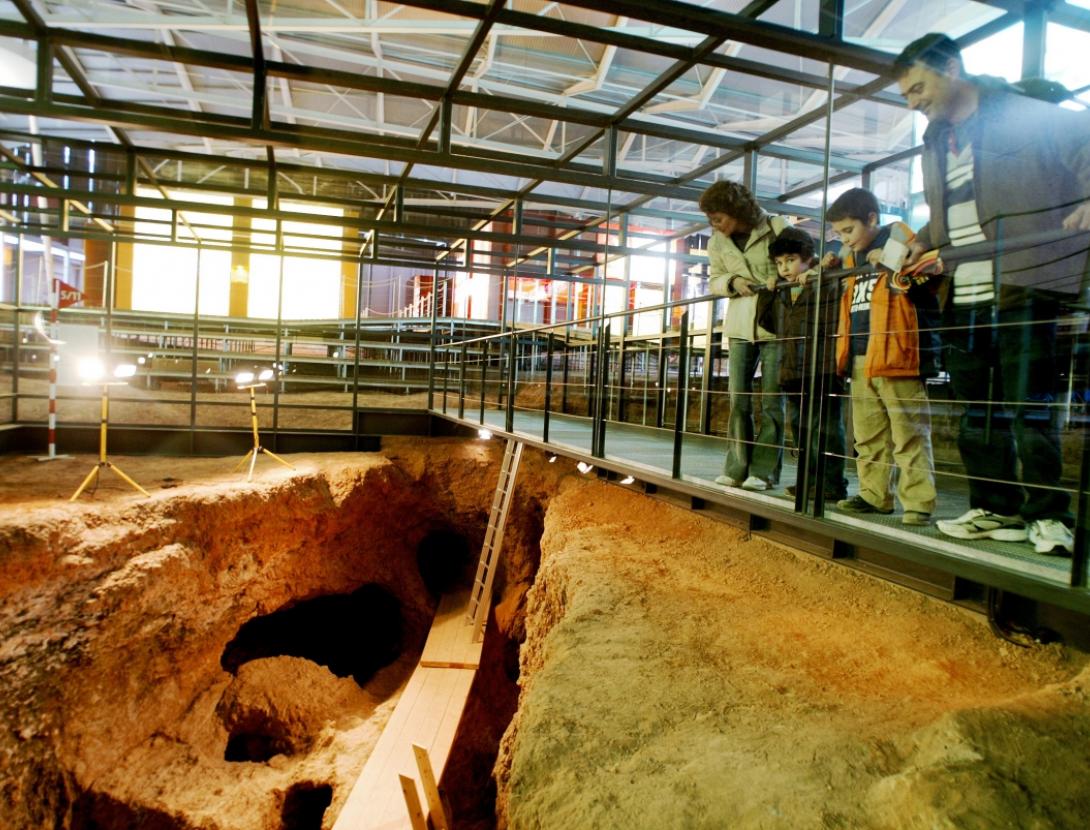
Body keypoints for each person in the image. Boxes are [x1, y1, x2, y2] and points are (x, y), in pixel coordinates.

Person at [894, 33, 1090, 554]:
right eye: (906, 96)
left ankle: (1050, 516)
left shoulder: (1019, 110)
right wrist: (923, 245)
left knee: (1029, 405)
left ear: (951, 67)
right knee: (977, 411)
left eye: (918, 88)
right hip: (962, 293)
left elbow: (1084, 137)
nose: (914, 103)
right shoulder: (934, 141)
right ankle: (994, 508)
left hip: (1025, 282)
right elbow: (949, 211)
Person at [825, 188, 939, 526]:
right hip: (860, 354)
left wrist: (884, 256)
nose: (845, 239)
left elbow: (921, 268)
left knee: (909, 432)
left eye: (849, 230)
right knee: (867, 435)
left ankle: (918, 501)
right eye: (839, 233)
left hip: (897, 353)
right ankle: (874, 495)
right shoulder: (849, 257)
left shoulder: (899, 235)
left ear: (872, 219)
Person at [701, 180, 787, 491]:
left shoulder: (776, 226)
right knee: (738, 398)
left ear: (736, 211)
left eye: (718, 217)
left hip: (774, 324)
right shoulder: (716, 242)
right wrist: (733, 281)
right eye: (711, 220)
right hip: (739, 325)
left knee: (772, 402)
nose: (715, 225)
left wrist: (776, 278)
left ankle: (763, 472)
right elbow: (713, 279)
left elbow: (796, 262)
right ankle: (736, 467)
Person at [760, 226, 848, 502]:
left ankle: (832, 483)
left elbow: (839, 262)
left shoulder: (825, 279)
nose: (785, 268)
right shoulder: (784, 291)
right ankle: (808, 480)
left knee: (827, 428)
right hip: (793, 370)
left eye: (790, 260)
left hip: (822, 367)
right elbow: (768, 323)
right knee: (801, 427)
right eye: (779, 263)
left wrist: (826, 266)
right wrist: (769, 292)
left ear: (808, 257)